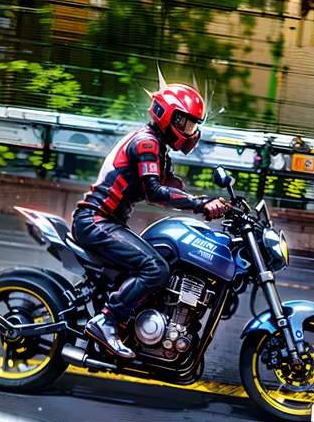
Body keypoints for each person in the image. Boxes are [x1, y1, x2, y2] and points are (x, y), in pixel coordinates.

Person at [72, 80, 227, 359]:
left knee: (163, 259)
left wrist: (211, 202)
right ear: (170, 117)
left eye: (193, 126)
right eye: (187, 124)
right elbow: (155, 193)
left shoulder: (157, 146)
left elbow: (171, 188)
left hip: (108, 223)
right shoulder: (147, 142)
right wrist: (200, 203)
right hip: (96, 221)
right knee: (155, 267)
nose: (190, 132)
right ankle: (106, 320)